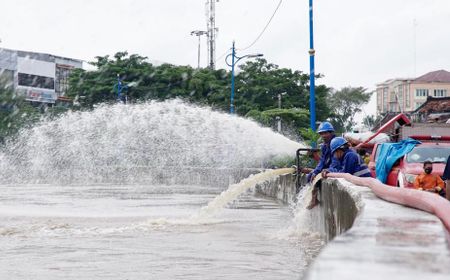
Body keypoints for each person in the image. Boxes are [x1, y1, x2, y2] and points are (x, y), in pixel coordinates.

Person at [303, 121, 340, 209]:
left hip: (336, 168)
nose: (323, 135)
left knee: (319, 177)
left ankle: (314, 200)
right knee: (311, 176)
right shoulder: (324, 146)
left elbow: (336, 161)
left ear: (331, 133)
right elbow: (322, 161)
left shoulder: (336, 143)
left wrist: (329, 170)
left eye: (325, 133)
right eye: (321, 133)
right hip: (328, 167)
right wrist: (315, 171)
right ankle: (313, 199)